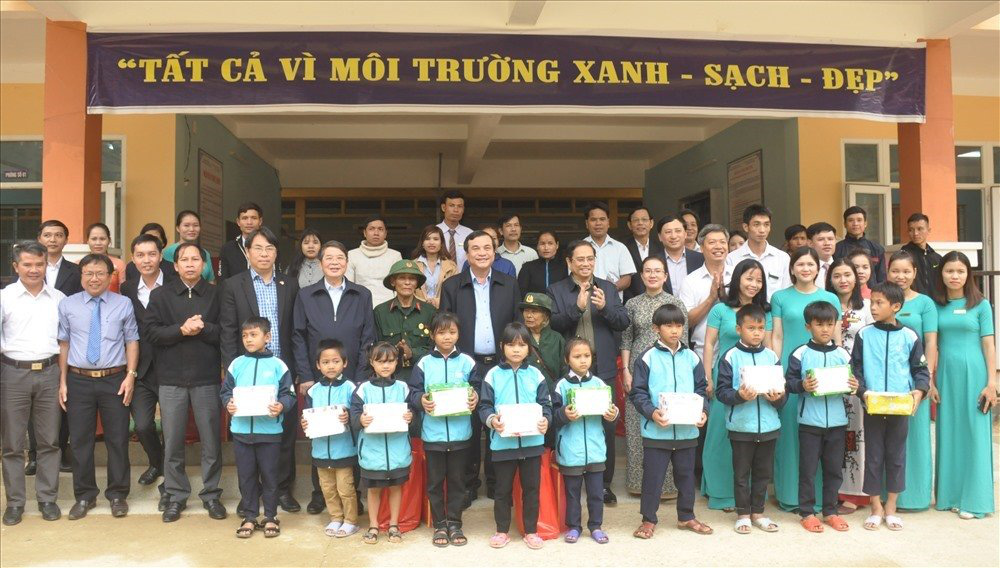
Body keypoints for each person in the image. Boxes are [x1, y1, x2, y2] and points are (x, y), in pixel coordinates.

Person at [220, 226, 303, 513]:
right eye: (258, 248)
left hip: (280, 371)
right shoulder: (233, 284)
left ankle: (282, 491)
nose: (264, 254)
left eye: (269, 248)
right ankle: (251, 497)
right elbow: (229, 330)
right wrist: (232, 370)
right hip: (248, 374)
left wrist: (298, 370)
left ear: (276, 253)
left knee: (283, 433)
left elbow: (295, 330)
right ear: (247, 252)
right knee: (250, 436)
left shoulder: (289, 284)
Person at [293, 240, 376, 514]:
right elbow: (298, 336)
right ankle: (320, 494)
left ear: (347, 262)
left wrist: (363, 375)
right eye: (329, 258)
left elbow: (368, 336)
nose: (334, 262)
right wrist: (305, 375)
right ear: (320, 263)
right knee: (322, 430)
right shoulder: (306, 294)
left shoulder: (361, 294)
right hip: (318, 379)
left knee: (352, 431)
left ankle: (354, 494)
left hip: (354, 375)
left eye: (340, 257)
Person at [439, 230, 521, 507]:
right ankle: (469, 485)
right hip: (467, 364)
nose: (482, 253)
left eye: (488, 248)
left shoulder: (509, 283)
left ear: (495, 252)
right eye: (476, 248)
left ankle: (498, 485)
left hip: (501, 364)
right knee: (470, 425)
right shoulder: (452, 286)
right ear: (466, 253)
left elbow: (516, 325)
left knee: (500, 421)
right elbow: (445, 327)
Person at [146, 242, 226, 523]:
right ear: (175, 265)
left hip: (206, 379)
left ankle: (212, 494)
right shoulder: (160, 296)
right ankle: (176, 495)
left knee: (211, 442)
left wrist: (203, 328)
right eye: (185, 259)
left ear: (204, 265)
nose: (190, 264)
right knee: (173, 442)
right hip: (171, 380)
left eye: (196, 259)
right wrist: (181, 329)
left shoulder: (217, 294)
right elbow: (152, 334)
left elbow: (225, 334)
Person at [57, 253, 138, 520]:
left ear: (110, 276)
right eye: (88, 273)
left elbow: (131, 341)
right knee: (80, 441)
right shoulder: (67, 305)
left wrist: (130, 375)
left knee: (117, 439)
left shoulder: (123, 303)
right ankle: (85, 496)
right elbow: (64, 344)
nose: (94, 278)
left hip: (114, 379)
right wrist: (63, 381)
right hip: (79, 379)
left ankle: (117, 494)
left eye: (100, 273)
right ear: (81, 276)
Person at [549, 239, 629, 504]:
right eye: (580, 259)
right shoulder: (557, 290)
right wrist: (578, 308)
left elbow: (622, 322)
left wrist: (605, 307)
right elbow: (553, 325)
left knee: (604, 425)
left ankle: (603, 484)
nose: (585, 264)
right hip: (569, 372)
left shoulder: (606, 287)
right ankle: (570, 475)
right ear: (569, 262)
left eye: (590, 259)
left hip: (602, 368)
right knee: (570, 422)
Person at [852, 282, 929, 531]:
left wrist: (920, 390)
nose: (873, 307)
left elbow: (920, 370)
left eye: (879, 303)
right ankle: (875, 506)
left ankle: (892, 507)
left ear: (895, 306)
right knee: (873, 455)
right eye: (871, 302)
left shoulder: (910, 335)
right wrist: (863, 392)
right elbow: (856, 369)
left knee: (896, 456)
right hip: (872, 404)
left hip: (900, 406)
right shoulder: (864, 334)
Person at [630, 303, 712, 539]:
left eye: (678, 325)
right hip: (657, 432)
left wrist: (703, 411)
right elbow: (638, 393)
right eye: (668, 325)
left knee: (686, 476)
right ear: (656, 328)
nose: (674, 330)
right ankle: (648, 520)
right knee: (653, 478)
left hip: (687, 432)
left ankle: (686, 516)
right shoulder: (647, 358)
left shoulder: (692, 358)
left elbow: (701, 388)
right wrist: (652, 412)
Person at [770, 247, 842, 512]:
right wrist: (776, 368)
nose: (805, 269)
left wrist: (841, 368)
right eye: (800, 264)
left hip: (825, 371)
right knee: (790, 434)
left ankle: (826, 501)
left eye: (810, 264)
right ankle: (790, 495)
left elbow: (836, 337)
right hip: (791, 371)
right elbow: (776, 336)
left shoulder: (829, 298)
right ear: (792, 268)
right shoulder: (779, 297)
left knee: (823, 437)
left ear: (818, 267)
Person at [700, 259, 772, 511]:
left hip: (757, 382)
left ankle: (749, 497)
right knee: (719, 436)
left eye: (759, 280)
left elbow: (770, 347)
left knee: (751, 437)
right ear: (738, 279)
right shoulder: (720, 310)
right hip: (725, 380)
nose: (754, 284)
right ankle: (720, 493)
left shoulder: (765, 312)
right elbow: (709, 343)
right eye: (749, 278)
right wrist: (708, 376)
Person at [1, 242, 65, 526]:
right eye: (27, 264)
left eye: (39, 264)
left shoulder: (60, 298)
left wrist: (63, 379)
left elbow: (65, 343)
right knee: (13, 444)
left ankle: (47, 499)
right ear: (16, 266)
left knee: (49, 441)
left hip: (50, 372)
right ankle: (15, 502)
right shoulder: (4, 298)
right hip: (13, 373)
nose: (34, 270)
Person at [932, 251, 996, 519]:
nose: (954, 276)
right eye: (949, 271)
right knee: (948, 433)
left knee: (975, 434)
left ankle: (975, 500)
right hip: (946, 375)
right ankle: (949, 496)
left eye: (960, 271)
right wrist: (931, 380)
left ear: (968, 274)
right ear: (942, 274)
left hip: (975, 375)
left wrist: (992, 382)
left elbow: (989, 344)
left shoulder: (981, 306)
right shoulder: (935, 305)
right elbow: (932, 344)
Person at [479, 323, 552, 550]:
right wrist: (492, 420)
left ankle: (531, 531)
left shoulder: (536, 374)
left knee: (531, 489)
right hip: (503, 443)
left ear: (529, 348)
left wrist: (546, 420)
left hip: (532, 444)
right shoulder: (492, 375)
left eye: (522, 345)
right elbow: (484, 406)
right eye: (511, 345)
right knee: (502, 490)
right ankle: (501, 530)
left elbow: (546, 405)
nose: (516, 350)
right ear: (502, 347)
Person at [408, 312, 478, 547]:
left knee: (458, 481)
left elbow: (478, 388)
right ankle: (440, 524)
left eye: (452, 332)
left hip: (460, 434)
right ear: (432, 334)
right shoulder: (424, 363)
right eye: (441, 332)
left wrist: (475, 397)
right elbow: (413, 391)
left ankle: (455, 523)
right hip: (433, 434)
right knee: (435, 482)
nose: (447, 337)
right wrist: (421, 401)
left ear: (459, 334)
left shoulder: (467, 362)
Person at [785, 302, 856, 532]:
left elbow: (853, 382)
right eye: (819, 324)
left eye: (829, 324)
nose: (825, 329)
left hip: (837, 422)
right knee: (808, 470)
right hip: (809, 423)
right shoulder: (800, 353)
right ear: (808, 326)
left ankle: (830, 511)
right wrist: (803, 385)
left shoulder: (843, 354)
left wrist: (854, 385)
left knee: (834, 469)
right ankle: (806, 512)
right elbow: (789, 383)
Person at [222, 316, 295, 539]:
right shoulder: (236, 364)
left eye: (253, 335)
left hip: (269, 433)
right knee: (246, 476)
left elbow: (289, 394)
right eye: (245, 335)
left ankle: (271, 516)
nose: (248, 339)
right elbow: (225, 391)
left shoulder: (278, 365)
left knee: (270, 476)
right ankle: (250, 516)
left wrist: (281, 406)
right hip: (242, 432)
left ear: (267, 337)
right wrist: (229, 404)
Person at [715, 303, 784, 534]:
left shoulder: (772, 356)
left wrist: (776, 398)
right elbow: (721, 392)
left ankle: (759, 513)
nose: (756, 333)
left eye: (760, 328)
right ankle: (743, 514)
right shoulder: (730, 356)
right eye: (751, 328)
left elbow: (783, 397)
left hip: (769, 426)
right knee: (742, 473)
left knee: (763, 473)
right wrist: (739, 396)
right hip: (741, 427)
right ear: (738, 329)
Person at [620, 255, 686, 498]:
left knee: (666, 421)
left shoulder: (675, 303)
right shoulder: (632, 304)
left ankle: (667, 486)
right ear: (641, 274)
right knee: (637, 426)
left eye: (658, 271)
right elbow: (626, 339)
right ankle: (638, 483)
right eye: (648, 270)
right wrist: (625, 369)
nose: (653, 275)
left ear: (666, 276)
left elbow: (685, 341)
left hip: (669, 369)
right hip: (638, 368)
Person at [118, 234, 171, 510]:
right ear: (134, 258)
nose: (146, 260)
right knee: (142, 425)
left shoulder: (174, 284)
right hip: (141, 368)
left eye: (152, 254)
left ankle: (169, 482)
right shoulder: (126, 288)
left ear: (161, 256)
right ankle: (156, 462)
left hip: (172, 365)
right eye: (140, 255)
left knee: (172, 427)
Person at [551, 338, 619, 544]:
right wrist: (564, 414)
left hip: (596, 448)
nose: (583, 361)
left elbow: (610, 412)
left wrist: (612, 414)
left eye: (587, 356)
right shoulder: (560, 386)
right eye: (577, 356)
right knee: (572, 493)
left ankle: (596, 526)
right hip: (571, 449)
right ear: (567, 359)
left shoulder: (599, 384)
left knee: (596, 492)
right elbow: (552, 415)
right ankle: (574, 526)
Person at [885, 250, 938, 512]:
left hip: (914, 381)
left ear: (915, 273)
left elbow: (931, 342)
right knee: (887, 440)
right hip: (886, 381)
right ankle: (887, 495)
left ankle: (915, 496)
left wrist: (926, 380)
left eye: (907, 271)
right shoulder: (880, 298)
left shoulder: (924, 303)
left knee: (915, 437)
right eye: (896, 270)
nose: (901, 276)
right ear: (887, 272)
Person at [351, 341, 414, 545]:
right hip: (372, 452)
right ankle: (374, 525)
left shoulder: (403, 388)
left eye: (390, 361)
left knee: (396, 488)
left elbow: (414, 414)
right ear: (372, 362)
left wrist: (410, 417)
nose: (385, 366)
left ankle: (394, 525)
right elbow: (353, 414)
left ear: (397, 362)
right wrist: (360, 420)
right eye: (380, 361)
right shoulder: (363, 389)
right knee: (373, 489)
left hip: (398, 451)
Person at [826, 258, 874, 513]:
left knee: (855, 435)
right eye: (837, 275)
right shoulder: (825, 306)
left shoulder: (866, 307)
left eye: (848, 274)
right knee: (833, 434)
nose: (843, 280)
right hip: (830, 377)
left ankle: (854, 494)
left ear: (857, 278)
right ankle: (831, 489)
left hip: (855, 378)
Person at [301, 339, 359, 538]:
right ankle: (335, 518)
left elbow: (358, 414)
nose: (331, 366)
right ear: (318, 365)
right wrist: (305, 423)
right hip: (320, 450)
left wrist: (348, 416)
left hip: (343, 449)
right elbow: (307, 414)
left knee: (345, 488)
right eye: (325, 362)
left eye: (335, 361)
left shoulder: (351, 388)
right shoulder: (313, 390)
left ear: (345, 363)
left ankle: (350, 521)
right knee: (328, 488)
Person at [374, 259, 436, 381]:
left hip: (423, 375)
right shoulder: (380, 312)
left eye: (412, 279)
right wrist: (393, 352)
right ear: (393, 281)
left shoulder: (430, 311)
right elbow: (375, 346)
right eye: (402, 278)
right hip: (390, 377)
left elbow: (435, 346)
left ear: (417, 283)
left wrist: (412, 353)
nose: (407, 282)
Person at [678, 224, 729, 358]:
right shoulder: (690, 281)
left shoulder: (739, 275)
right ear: (701, 248)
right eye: (712, 242)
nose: (718, 246)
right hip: (703, 352)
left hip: (736, 350)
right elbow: (685, 321)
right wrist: (710, 299)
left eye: (723, 242)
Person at [724, 205, 791, 301]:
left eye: (766, 224)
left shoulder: (783, 258)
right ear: (746, 227)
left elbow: (786, 293)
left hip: (773, 314)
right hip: (743, 313)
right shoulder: (731, 259)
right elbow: (731, 292)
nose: (762, 230)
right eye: (756, 224)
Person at [347, 216, 403, 307]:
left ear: (385, 233)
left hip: (389, 307)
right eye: (371, 229)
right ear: (365, 233)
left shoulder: (395, 256)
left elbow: (399, 286)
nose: (376, 233)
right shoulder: (352, 255)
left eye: (380, 229)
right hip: (360, 306)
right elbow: (348, 286)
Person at [583, 201, 636, 298]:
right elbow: (573, 276)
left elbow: (627, 279)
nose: (598, 223)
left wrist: (609, 290)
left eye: (602, 219)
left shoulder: (620, 248)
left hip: (613, 302)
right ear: (587, 223)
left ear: (608, 222)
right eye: (593, 219)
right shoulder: (579, 248)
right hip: (586, 302)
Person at [520, 293, 565, 390]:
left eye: (534, 311)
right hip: (526, 394)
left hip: (552, 396)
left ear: (546, 315)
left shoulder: (557, 339)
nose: (528, 315)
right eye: (526, 311)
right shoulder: (519, 337)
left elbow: (564, 371)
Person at [834, 205, 886, 284]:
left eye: (859, 220)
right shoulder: (836, 249)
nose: (855, 223)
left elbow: (882, 279)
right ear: (845, 224)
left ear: (865, 223)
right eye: (851, 220)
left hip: (871, 294)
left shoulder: (877, 249)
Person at [623, 207, 664, 302]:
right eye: (636, 220)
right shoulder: (622, 247)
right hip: (630, 301)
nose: (640, 223)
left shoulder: (661, 247)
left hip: (658, 301)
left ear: (651, 223)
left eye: (644, 219)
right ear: (629, 225)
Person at [657, 214, 704, 295]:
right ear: (660, 237)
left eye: (678, 231)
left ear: (685, 234)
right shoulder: (653, 261)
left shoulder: (701, 259)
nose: (673, 236)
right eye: (668, 232)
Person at [162, 211, 215, 283]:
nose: (192, 229)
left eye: (196, 225)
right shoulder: (168, 252)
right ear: (178, 228)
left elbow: (210, 281)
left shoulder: (205, 253)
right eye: (186, 225)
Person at [412, 225, 458, 308]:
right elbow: (408, 291)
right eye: (427, 239)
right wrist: (424, 303)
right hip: (418, 310)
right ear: (422, 243)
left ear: (441, 243)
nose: (431, 242)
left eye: (436, 239)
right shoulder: (413, 265)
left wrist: (436, 302)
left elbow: (455, 292)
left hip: (444, 310)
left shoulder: (451, 266)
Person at [219, 202, 264, 280]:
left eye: (253, 218)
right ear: (238, 222)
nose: (249, 222)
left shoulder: (270, 247)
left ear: (260, 221)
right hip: (235, 292)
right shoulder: (227, 249)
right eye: (245, 218)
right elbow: (223, 282)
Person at [901, 213, 942, 296]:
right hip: (912, 302)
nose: (915, 233)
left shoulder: (937, 258)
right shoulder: (903, 256)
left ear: (928, 230)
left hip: (934, 303)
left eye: (920, 229)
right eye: (911, 230)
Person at [518, 230, 568, 296]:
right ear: (537, 246)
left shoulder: (565, 267)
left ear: (557, 245)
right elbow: (521, 293)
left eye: (550, 243)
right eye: (542, 244)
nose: (546, 248)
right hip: (533, 306)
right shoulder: (527, 267)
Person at [85, 222, 127, 292]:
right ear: (87, 241)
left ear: (109, 240)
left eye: (102, 239)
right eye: (94, 239)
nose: (98, 243)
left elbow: (123, 292)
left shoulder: (119, 264)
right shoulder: (79, 264)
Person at [437, 190, 473, 269]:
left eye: (460, 206)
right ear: (443, 207)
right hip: (439, 279)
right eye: (452, 205)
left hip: (464, 279)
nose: (456, 210)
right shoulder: (434, 232)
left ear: (463, 209)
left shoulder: (470, 234)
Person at [806, 222, 837, 286]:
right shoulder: (805, 269)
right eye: (821, 239)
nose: (827, 243)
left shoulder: (842, 266)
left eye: (830, 239)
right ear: (810, 243)